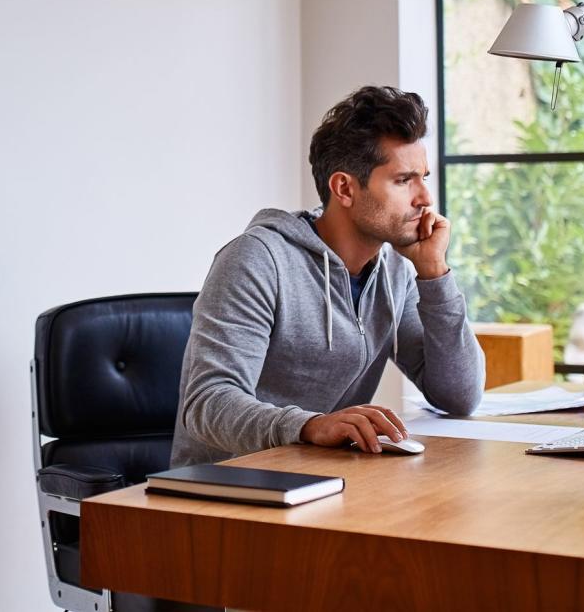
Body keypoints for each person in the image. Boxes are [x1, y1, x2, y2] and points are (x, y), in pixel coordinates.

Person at [170, 86, 485, 467]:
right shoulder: (256, 260)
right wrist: (311, 426)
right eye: (404, 180)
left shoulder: (396, 270)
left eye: (423, 177)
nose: (425, 198)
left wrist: (434, 274)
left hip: (322, 479)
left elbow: (460, 396)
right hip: (225, 492)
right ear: (344, 188)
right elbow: (208, 403)